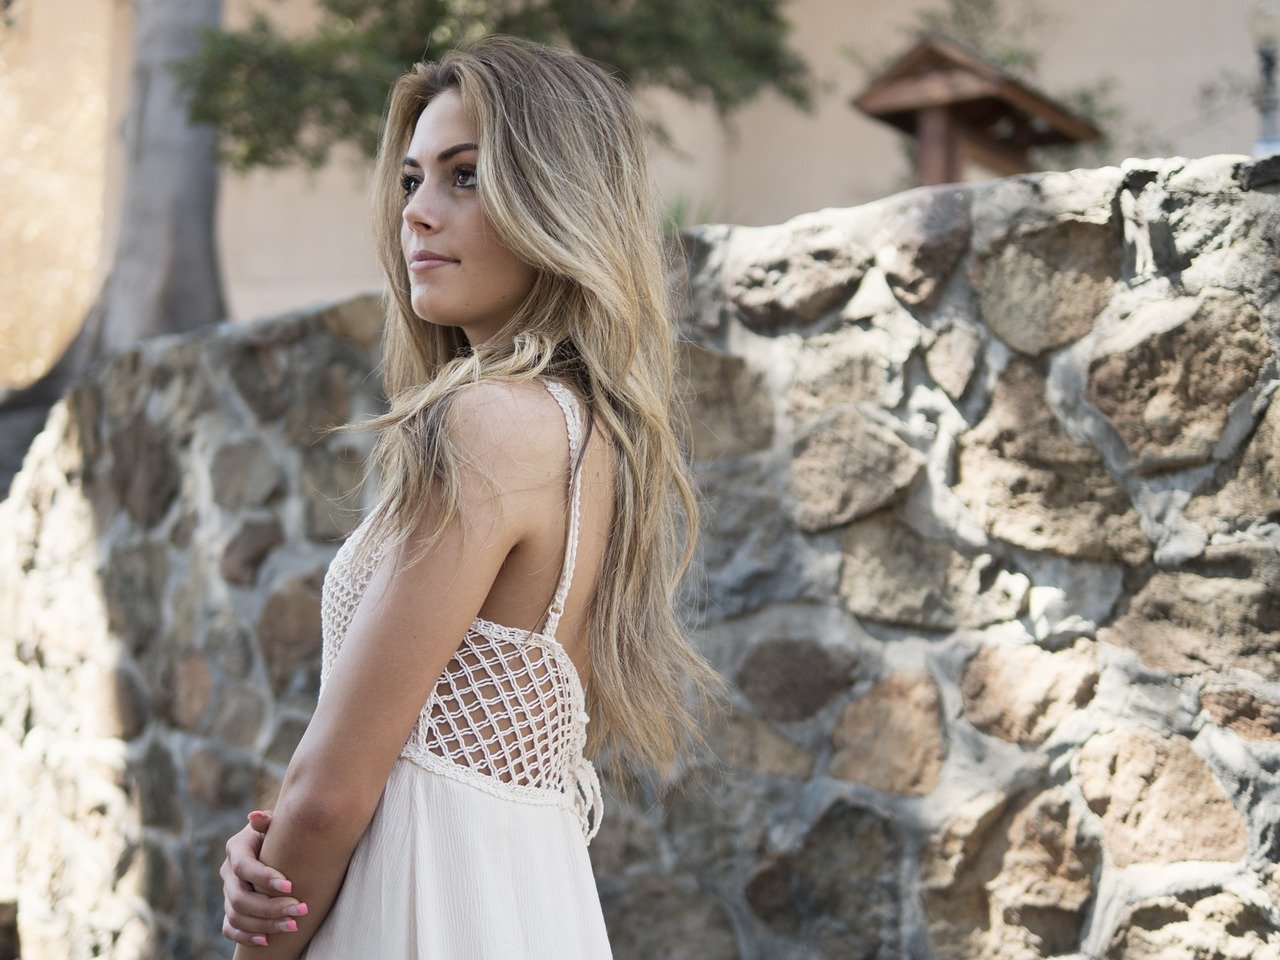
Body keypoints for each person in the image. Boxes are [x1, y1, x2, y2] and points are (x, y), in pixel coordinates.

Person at [216, 33, 728, 959]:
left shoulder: (488, 424)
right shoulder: (589, 432)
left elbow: (331, 795)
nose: (416, 213)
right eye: (411, 180)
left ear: (556, 201)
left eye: (464, 176)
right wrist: (268, 850)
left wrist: (260, 942)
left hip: (421, 915)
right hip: (522, 907)